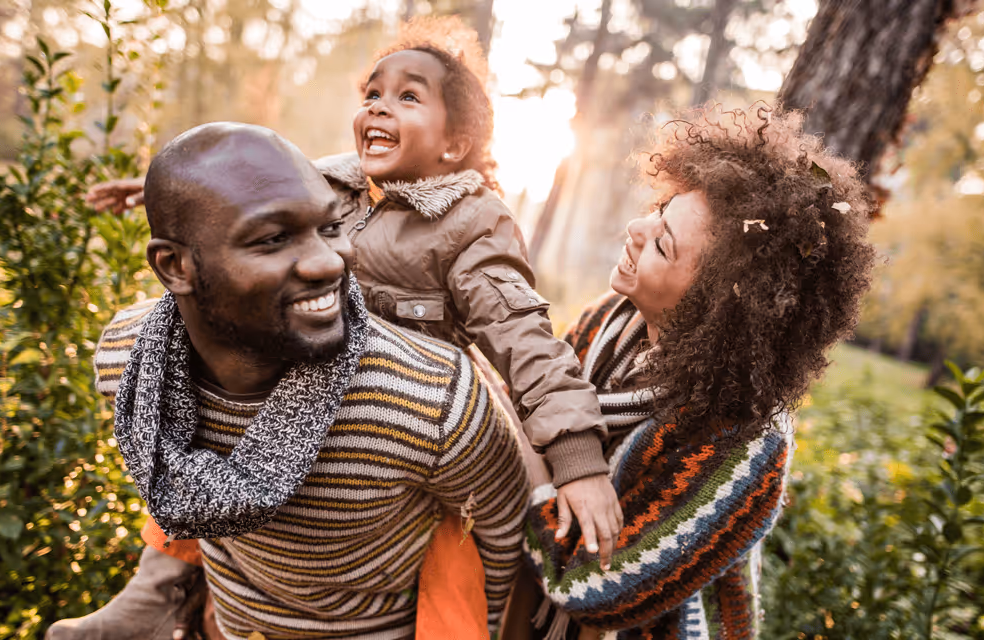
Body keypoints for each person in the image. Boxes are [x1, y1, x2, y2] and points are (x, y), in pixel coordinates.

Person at [86, 14, 621, 569]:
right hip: (300, 369)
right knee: (188, 420)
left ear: (454, 144)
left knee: (479, 532)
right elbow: (236, 199)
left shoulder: (471, 225)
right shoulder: (329, 184)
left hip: (398, 405)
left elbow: (525, 339)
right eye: (372, 93)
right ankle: (161, 579)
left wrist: (577, 459)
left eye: (408, 97)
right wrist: (162, 193)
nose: (379, 107)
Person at [56, 122, 529, 640]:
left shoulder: (432, 400)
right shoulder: (130, 359)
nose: (329, 263)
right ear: (175, 266)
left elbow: (504, 541)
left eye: (330, 228)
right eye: (273, 238)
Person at [506, 105, 876, 640]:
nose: (635, 228)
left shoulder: (744, 444)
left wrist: (534, 459)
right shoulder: (608, 321)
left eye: (662, 243)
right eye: (660, 210)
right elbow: (535, 398)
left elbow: (593, 591)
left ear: (715, 306)